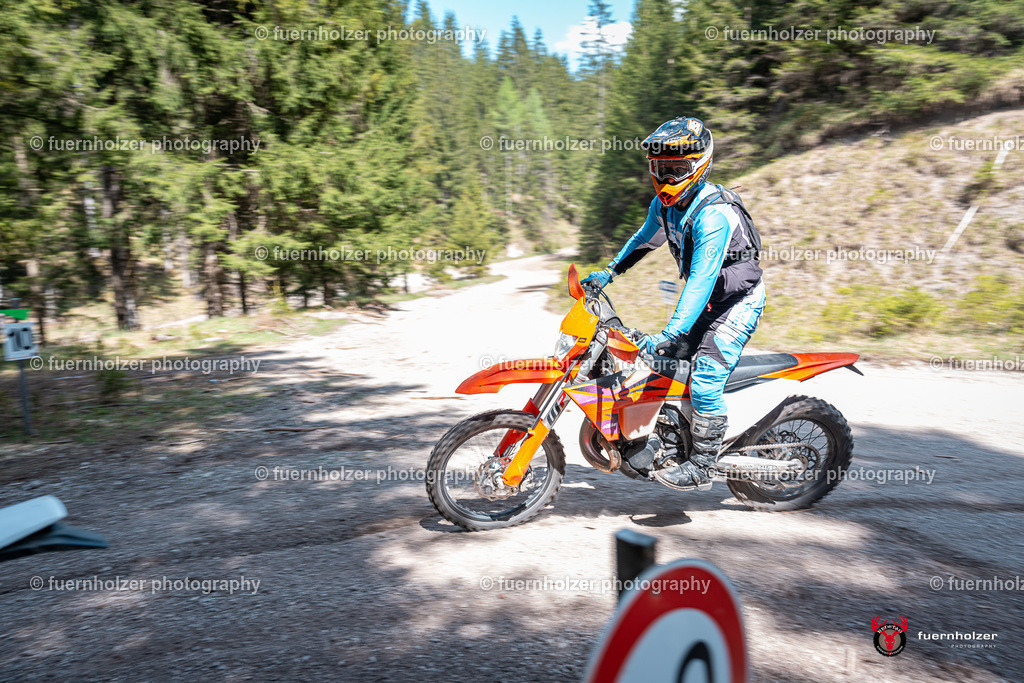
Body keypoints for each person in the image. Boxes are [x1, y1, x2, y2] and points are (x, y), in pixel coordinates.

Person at [582, 116, 765, 487]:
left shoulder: (713, 214)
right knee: (657, 364)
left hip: (736, 303)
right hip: (709, 302)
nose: (666, 177)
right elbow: (643, 240)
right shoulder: (665, 206)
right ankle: (671, 436)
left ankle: (702, 465)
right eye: (660, 168)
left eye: (676, 168)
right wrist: (608, 273)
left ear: (698, 166)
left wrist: (673, 331)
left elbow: (701, 279)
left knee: (706, 378)